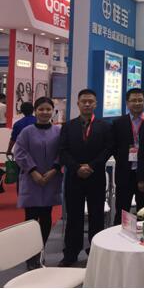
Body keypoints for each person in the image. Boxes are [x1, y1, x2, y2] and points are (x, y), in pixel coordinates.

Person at [59, 89, 113, 267]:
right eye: (84, 101)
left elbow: (108, 149)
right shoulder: (68, 126)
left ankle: (96, 252)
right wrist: (77, 167)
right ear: (78, 104)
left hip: (95, 176)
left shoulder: (104, 126)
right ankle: (71, 253)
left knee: (97, 217)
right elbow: (62, 151)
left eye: (91, 101)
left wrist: (91, 166)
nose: (87, 104)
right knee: (74, 217)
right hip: (74, 178)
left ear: (96, 104)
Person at [14, 97, 62, 270]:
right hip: (31, 180)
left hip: (50, 179)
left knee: (46, 216)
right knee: (31, 219)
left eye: (48, 109)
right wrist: (33, 171)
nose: (45, 112)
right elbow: (19, 152)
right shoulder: (27, 131)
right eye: (41, 109)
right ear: (35, 111)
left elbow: (62, 152)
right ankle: (30, 255)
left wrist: (54, 170)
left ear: (52, 111)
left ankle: (41, 250)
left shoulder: (58, 131)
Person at [112, 88, 144, 225]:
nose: (137, 103)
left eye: (140, 100)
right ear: (127, 103)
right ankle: (118, 237)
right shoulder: (118, 123)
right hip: (124, 174)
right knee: (122, 211)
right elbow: (114, 147)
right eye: (133, 100)